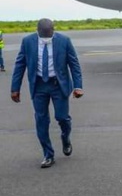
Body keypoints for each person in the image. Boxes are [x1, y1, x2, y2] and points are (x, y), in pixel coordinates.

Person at [10, 19, 83, 168]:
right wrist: (15, 88)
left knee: (62, 117)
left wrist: (78, 86)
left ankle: (65, 138)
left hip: (58, 85)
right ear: (37, 31)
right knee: (41, 120)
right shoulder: (27, 41)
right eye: (43, 36)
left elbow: (74, 64)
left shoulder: (64, 41)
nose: (46, 39)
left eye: (49, 35)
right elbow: (20, 65)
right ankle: (48, 155)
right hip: (39, 86)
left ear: (53, 30)